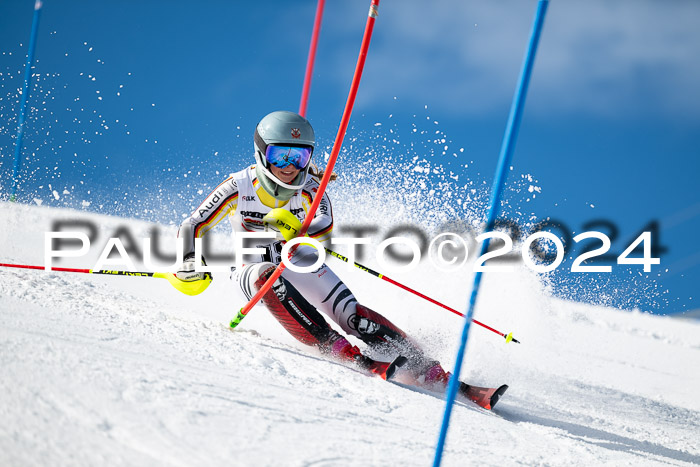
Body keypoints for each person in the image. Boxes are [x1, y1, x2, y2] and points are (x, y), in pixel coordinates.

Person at [176, 110, 454, 386]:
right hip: (250, 269)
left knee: (354, 316)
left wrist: (296, 232)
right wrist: (188, 262)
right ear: (262, 154)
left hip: (299, 260)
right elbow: (194, 224)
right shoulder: (239, 186)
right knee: (268, 276)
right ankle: (337, 346)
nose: (289, 167)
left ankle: (425, 366)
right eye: (279, 156)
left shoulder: (310, 187)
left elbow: (325, 223)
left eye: (299, 157)